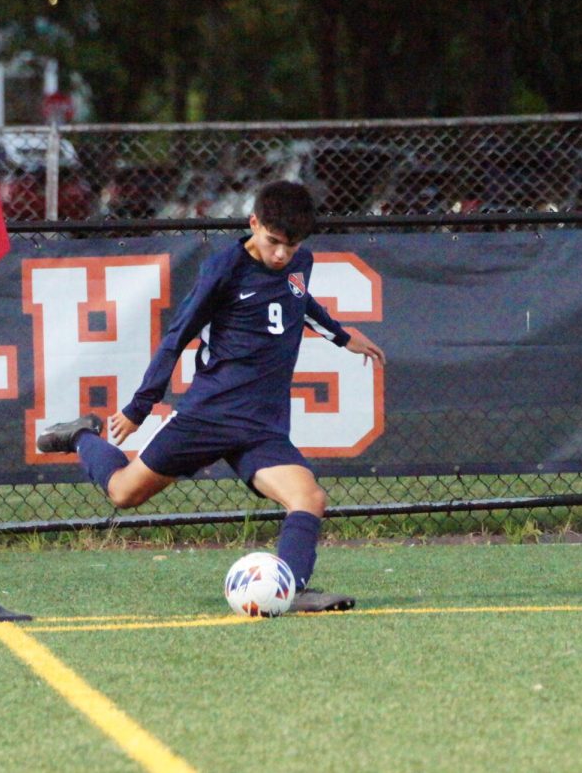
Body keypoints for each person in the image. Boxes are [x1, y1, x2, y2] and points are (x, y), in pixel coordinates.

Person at [38, 180, 386, 612]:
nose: (281, 254)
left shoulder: (300, 262)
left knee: (309, 498)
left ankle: (291, 590)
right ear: (253, 223)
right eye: (273, 241)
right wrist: (139, 407)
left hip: (262, 425)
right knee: (124, 493)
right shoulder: (224, 269)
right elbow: (176, 335)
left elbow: (298, 298)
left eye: (291, 245)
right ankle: (81, 436)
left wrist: (340, 334)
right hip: (210, 415)